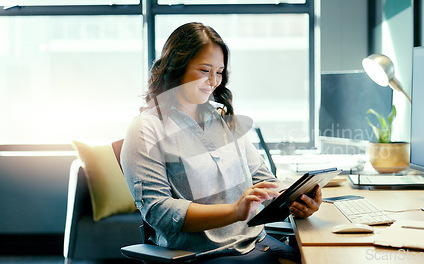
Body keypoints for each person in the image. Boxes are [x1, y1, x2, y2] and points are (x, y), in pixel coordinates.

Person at [121, 22, 322, 264]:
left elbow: (261, 179)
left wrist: (293, 200)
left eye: (219, 72)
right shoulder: (146, 127)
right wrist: (235, 211)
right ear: (177, 68)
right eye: (205, 70)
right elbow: (160, 211)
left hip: (257, 243)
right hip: (204, 255)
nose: (214, 81)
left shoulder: (222, 120)